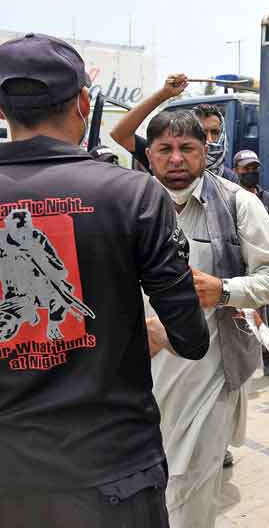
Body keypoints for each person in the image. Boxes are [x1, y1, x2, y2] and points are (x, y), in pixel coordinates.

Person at [0, 33, 209, 527]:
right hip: (113, 473)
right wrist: (153, 331)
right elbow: (192, 339)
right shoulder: (133, 195)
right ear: (81, 102)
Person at [143, 109, 269, 527]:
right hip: (137, 379)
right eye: (164, 149)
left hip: (206, 378)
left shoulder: (238, 204)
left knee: (188, 491)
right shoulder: (133, 206)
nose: (175, 158)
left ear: (205, 151)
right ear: (149, 154)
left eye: (186, 148)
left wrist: (224, 290)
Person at [109, 76, 239, 182]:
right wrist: (163, 94)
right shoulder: (167, 159)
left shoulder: (228, 179)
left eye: (215, 132)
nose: (210, 140)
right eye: (203, 132)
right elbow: (120, 134)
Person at [233, 149, 269, 382]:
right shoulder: (230, 197)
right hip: (236, 265)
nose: (251, 172)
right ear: (236, 170)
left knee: (268, 316)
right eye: (246, 168)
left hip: (260, 266)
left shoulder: (267, 199)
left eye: (254, 168)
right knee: (236, 316)